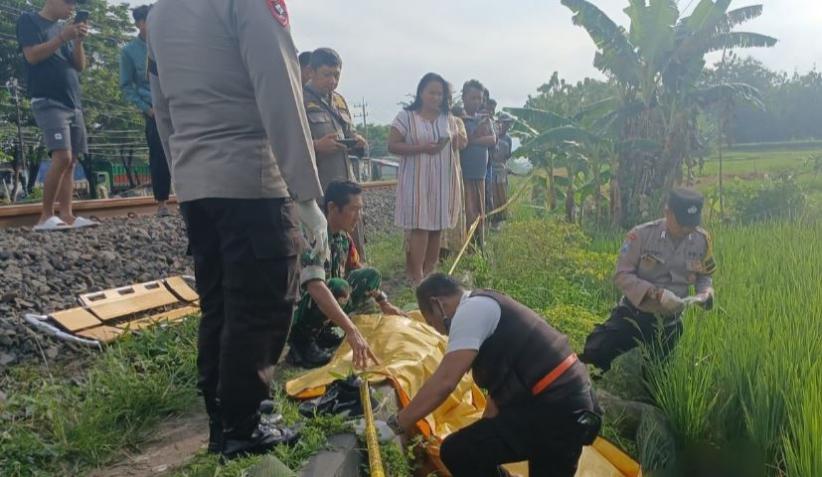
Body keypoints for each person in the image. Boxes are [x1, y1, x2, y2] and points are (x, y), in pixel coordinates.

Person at [147, 0, 374, 460]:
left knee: (221, 305)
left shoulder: (159, 13)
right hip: (248, 175)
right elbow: (279, 87)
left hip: (197, 180)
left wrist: (184, 174)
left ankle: (224, 420)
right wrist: (306, 192)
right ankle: (245, 426)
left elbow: (161, 104)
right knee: (261, 304)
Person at [387, 274, 601, 477]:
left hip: (556, 407)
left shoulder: (470, 311)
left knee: (459, 451)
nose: (439, 331)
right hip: (566, 402)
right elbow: (496, 397)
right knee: (469, 449)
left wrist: (397, 424)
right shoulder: (488, 306)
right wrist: (481, 434)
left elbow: (445, 381)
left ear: (438, 304)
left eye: (431, 322)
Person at [580, 188, 717, 374]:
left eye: (691, 225)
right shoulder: (641, 235)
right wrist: (656, 293)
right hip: (633, 314)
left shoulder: (702, 241)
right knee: (594, 352)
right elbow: (622, 274)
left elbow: (705, 275)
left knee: (655, 379)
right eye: (682, 224)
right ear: (667, 212)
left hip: (668, 324)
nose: (686, 230)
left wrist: (706, 292)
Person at [288, 180, 402, 368]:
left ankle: (322, 333)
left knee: (370, 275)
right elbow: (315, 287)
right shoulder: (312, 235)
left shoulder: (343, 237)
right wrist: (351, 330)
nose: (359, 216)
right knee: (338, 287)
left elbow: (357, 269)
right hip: (297, 311)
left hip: (324, 303)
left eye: (360, 209)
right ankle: (301, 343)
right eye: (354, 209)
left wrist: (383, 302)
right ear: (333, 208)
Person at [16, 0, 98, 231]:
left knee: (71, 162)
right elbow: (32, 56)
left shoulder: (64, 29)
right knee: (62, 157)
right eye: (68, 1)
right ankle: (45, 217)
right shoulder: (29, 20)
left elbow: (79, 66)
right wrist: (62, 37)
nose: (72, 7)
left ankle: (67, 215)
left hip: (73, 102)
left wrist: (77, 41)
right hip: (48, 100)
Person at [388, 73, 466, 285]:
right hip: (416, 178)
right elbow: (392, 145)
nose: (436, 97)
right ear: (421, 92)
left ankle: (430, 273)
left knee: (437, 226)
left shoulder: (448, 119)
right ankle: (416, 276)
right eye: (432, 92)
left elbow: (460, 144)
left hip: (442, 179)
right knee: (420, 226)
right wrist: (421, 147)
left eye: (440, 94)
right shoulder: (406, 116)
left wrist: (457, 139)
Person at [303, 47, 368, 260]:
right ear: (311, 72)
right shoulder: (298, 99)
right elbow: (287, 141)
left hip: (346, 186)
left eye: (336, 75)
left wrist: (357, 142)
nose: (332, 81)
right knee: (321, 247)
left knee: (353, 245)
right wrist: (316, 145)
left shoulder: (339, 101)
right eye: (327, 74)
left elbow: (349, 132)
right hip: (318, 187)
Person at [120, 4, 171, 217]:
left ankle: (193, 198)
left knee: (188, 150)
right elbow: (126, 86)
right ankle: (162, 203)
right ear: (139, 24)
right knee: (159, 156)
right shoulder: (129, 52)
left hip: (176, 104)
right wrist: (147, 109)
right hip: (153, 110)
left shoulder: (167, 42)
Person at [460, 80, 496, 247]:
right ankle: (467, 245)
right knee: (468, 208)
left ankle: (479, 243)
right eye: (472, 98)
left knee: (480, 208)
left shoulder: (485, 119)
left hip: (480, 172)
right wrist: (477, 140)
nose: (476, 102)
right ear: (464, 98)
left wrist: (473, 141)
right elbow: (463, 141)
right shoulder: (458, 119)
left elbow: (492, 139)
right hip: (464, 172)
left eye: (479, 98)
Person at [489, 113, 514, 229]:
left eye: (508, 124)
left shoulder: (508, 139)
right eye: (505, 123)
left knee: (502, 194)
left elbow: (508, 155)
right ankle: (493, 220)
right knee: (493, 195)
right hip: (491, 168)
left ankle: (501, 219)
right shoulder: (493, 135)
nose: (507, 126)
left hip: (502, 169)